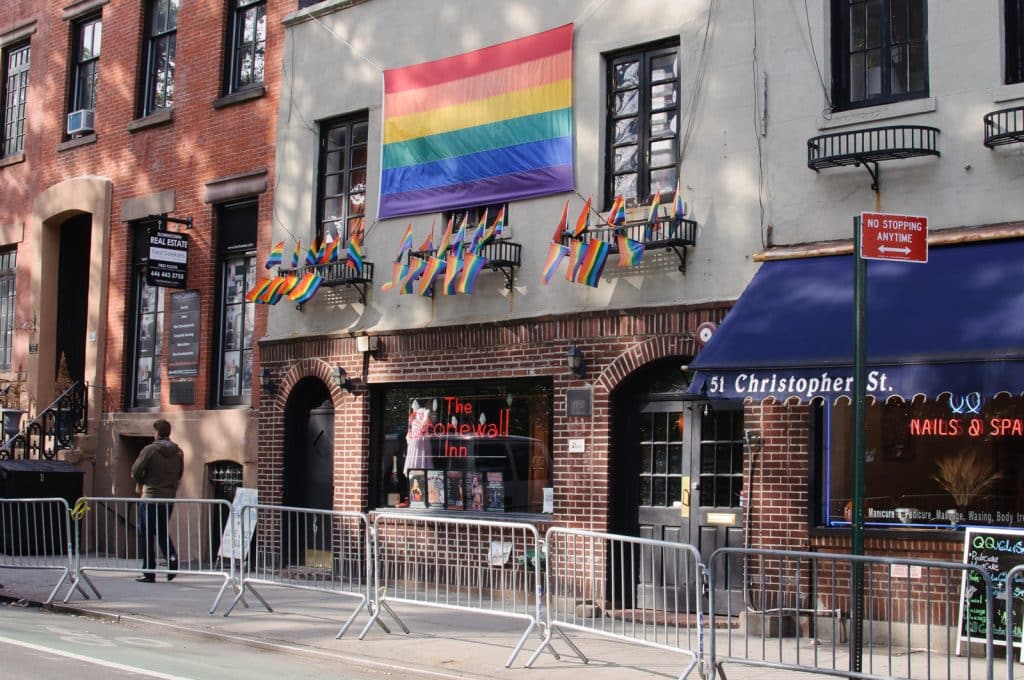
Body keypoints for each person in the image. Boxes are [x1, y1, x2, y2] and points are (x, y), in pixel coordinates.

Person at [131, 419, 184, 583]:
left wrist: (143, 480)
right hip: (168, 498)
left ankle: (149, 571)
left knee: (146, 533)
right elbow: (179, 473)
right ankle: (172, 560)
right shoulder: (178, 452)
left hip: (150, 497)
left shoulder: (150, 450)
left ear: (157, 432)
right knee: (161, 530)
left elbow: (136, 470)